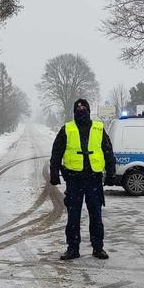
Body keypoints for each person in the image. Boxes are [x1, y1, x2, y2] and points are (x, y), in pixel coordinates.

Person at [49, 98, 116, 261]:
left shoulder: (99, 128)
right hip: (74, 179)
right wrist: (54, 172)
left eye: (83, 107)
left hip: (94, 179)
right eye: (78, 107)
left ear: (88, 109)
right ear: (74, 111)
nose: (81, 109)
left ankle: (98, 248)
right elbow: (56, 152)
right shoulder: (67, 129)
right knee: (73, 216)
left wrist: (111, 172)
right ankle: (73, 248)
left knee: (96, 215)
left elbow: (108, 151)